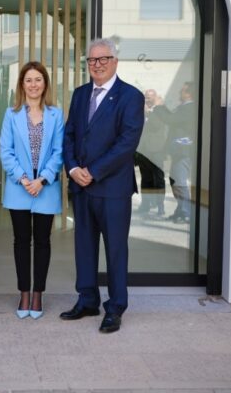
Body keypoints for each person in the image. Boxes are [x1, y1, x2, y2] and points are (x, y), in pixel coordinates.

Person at [60, 38, 144, 334]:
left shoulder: (130, 96)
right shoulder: (81, 94)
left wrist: (92, 171)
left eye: (103, 59)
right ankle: (87, 300)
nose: (96, 65)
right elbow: (69, 135)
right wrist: (72, 169)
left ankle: (116, 307)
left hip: (112, 188)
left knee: (116, 249)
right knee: (84, 246)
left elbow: (127, 143)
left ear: (115, 61)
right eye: (91, 60)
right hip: (80, 186)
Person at [0, 62, 64, 320]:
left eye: (38, 80)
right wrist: (24, 179)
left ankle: (38, 294)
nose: (34, 84)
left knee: (43, 242)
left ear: (45, 84)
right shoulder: (11, 114)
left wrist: (43, 179)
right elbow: (6, 150)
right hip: (19, 189)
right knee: (21, 242)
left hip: (46, 189)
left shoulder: (56, 115)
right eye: (29, 80)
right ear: (22, 85)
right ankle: (24, 292)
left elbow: (60, 151)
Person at [154, 81, 196, 223]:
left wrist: (159, 106)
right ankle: (180, 210)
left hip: (183, 151)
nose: (180, 93)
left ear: (189, 94)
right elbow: (172, 119)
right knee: (175, 182)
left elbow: (170, 119)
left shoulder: (190, 108)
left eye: (183, 91)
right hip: (178, 151)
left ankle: (186, 213)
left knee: (179, 182)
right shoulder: (184, 107)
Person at [135, 88, 167, 217]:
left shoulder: (160, 110)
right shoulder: (140, 111)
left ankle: (160, 206)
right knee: (146, 179)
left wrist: (147, 113)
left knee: (158, 179)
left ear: (155, 97)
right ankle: (145, 205)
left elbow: (156, 126)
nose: (147, 98)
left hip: (157, 150)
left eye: (150, 96)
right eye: (146, 96)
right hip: (143, 150)